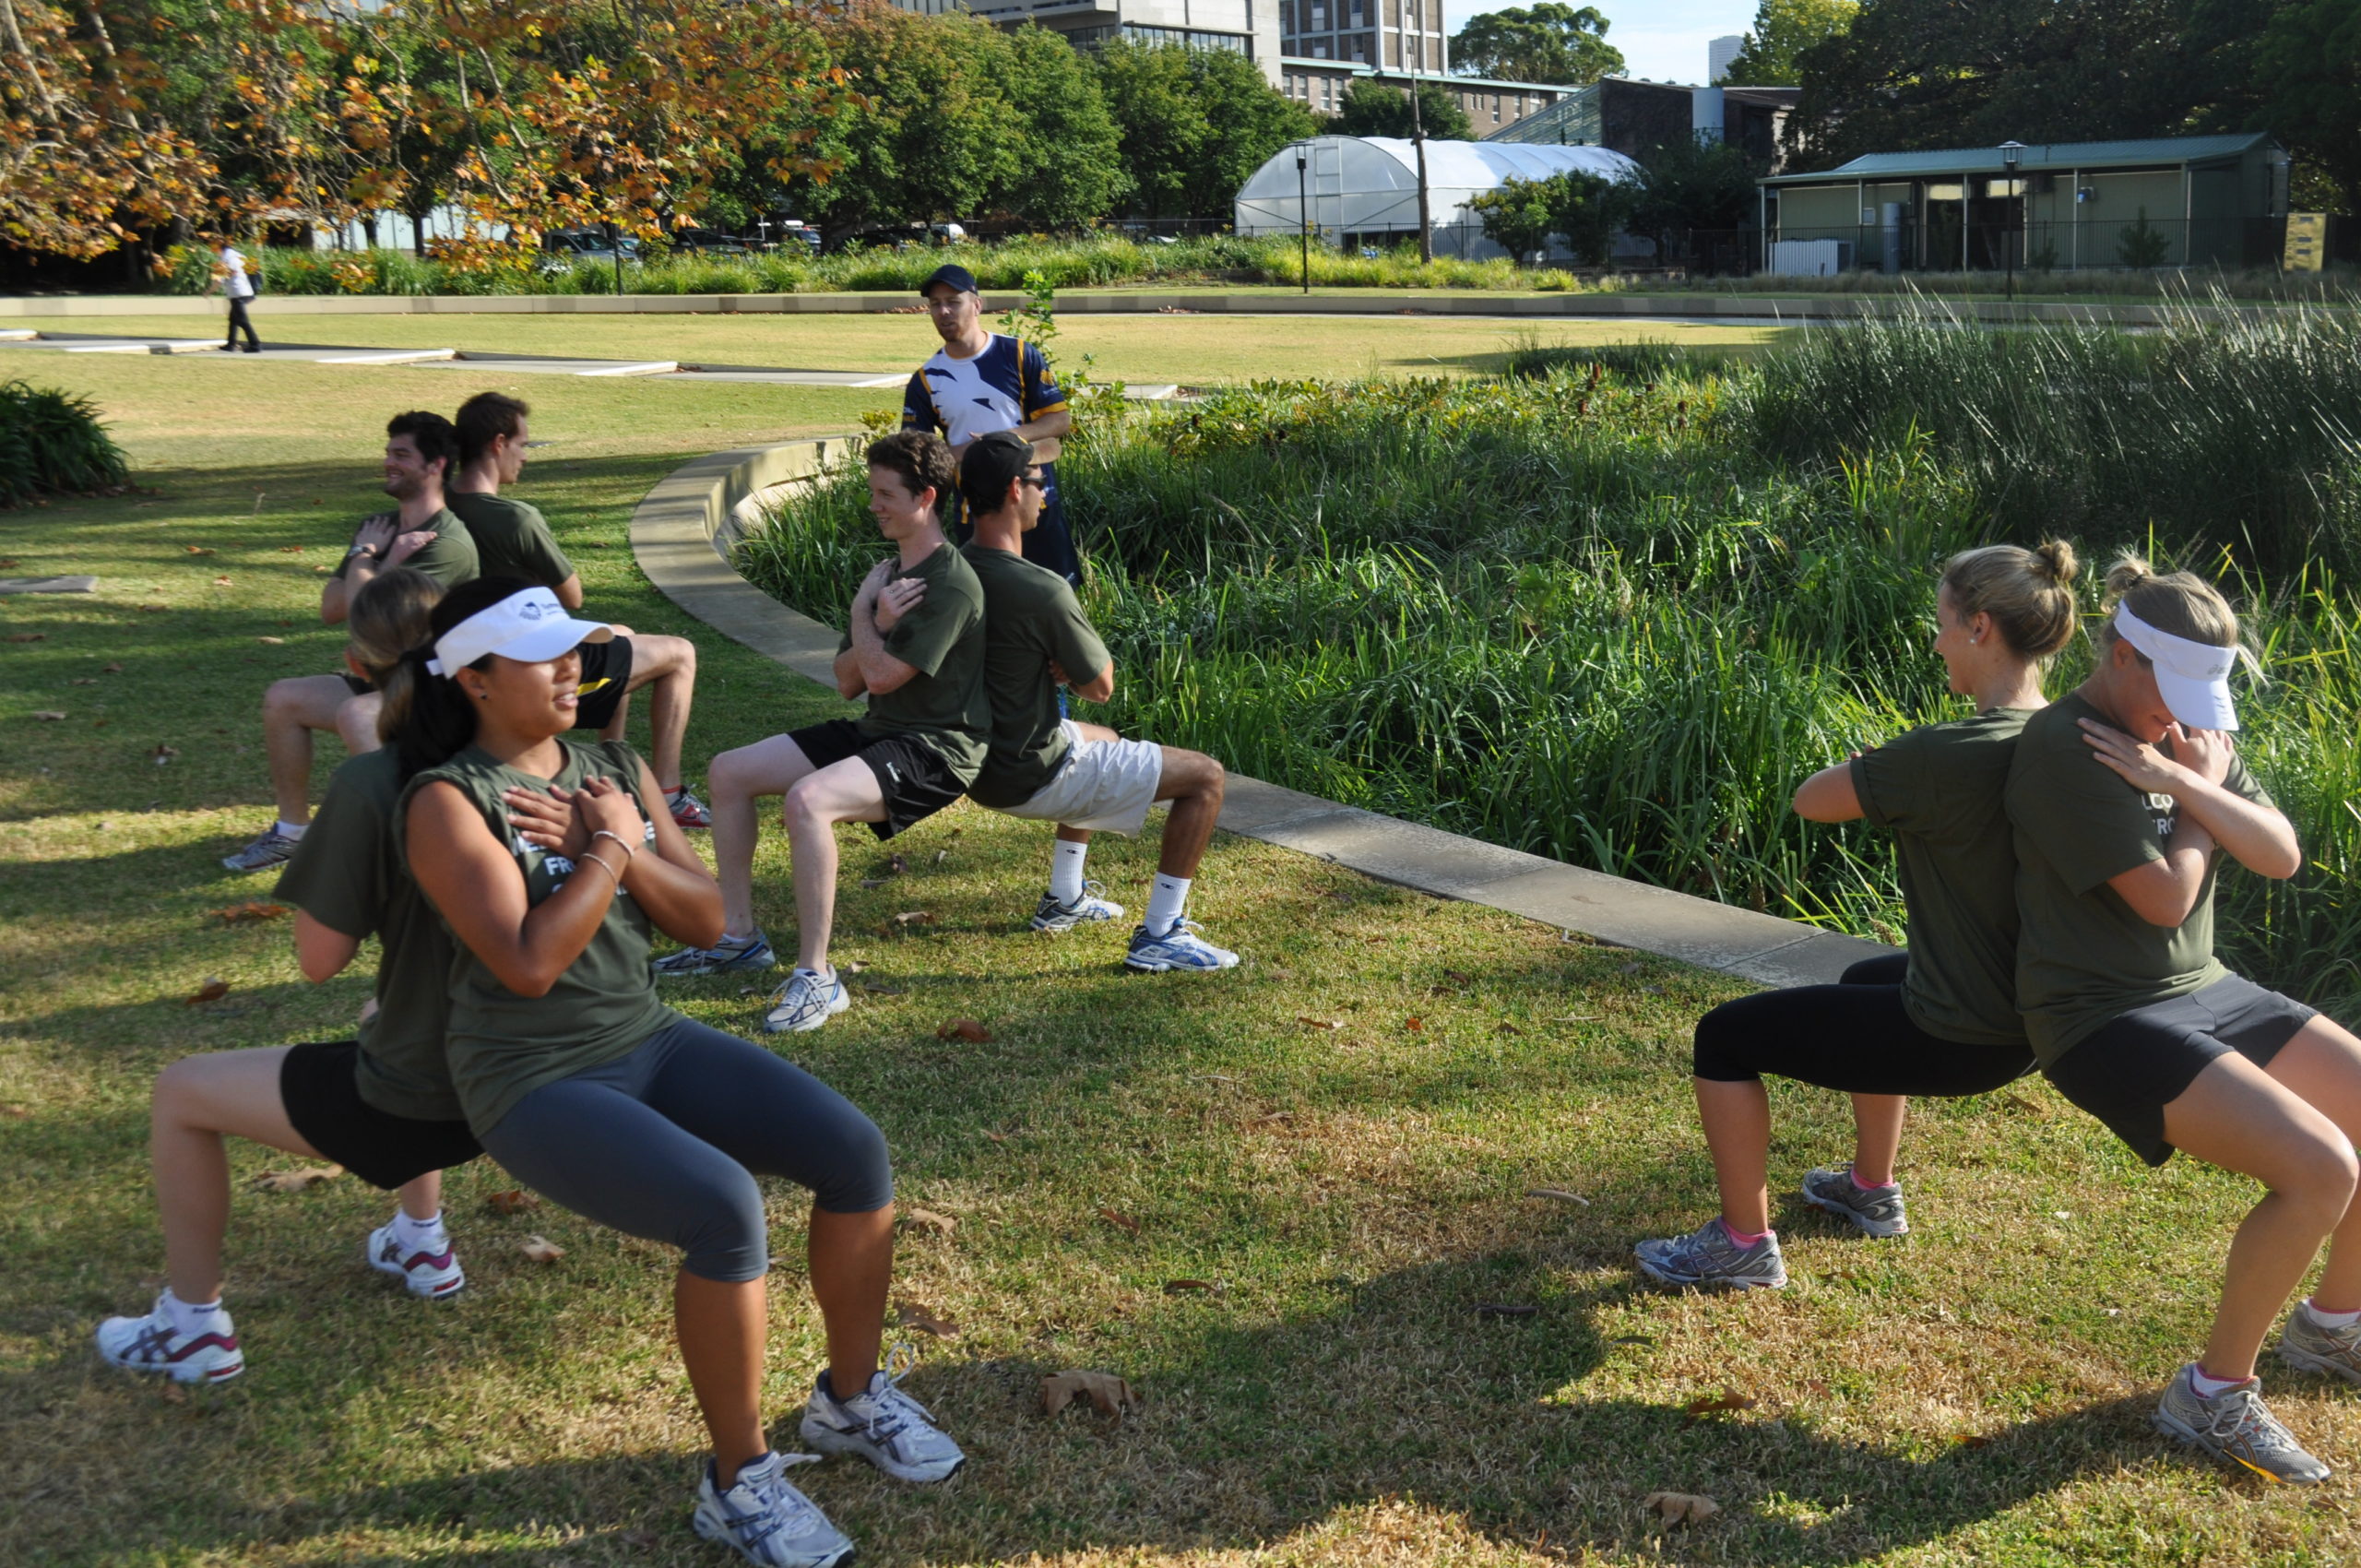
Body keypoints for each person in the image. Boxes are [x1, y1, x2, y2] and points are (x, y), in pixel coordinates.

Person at [390, 577, 958, 1567]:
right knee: (723, 1207)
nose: (570, 668)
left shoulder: (608, 764)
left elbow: (706, 917)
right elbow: (527, 964)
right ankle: (736, 1481)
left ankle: (849, 1398)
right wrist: (613, 848)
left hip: (646, 1034)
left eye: (573, 650)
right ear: (475, 677)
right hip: (530, 1075)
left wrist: (616, 835)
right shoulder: (446, 800)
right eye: (541, 656)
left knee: (853, 1152)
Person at [1633, 543, 2077, 1290]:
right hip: (2032, 1020)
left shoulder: (1944, 752)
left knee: (1724, 1038)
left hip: (1958, 1036)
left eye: (1941, 622)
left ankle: (1742, 1244)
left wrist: (1885, 766)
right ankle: (1871, 1190)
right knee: (1866, 975)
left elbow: (1814, 800)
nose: (1935, 641)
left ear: (1978, 627)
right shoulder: (2067, 736)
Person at [2007, 554, 2361, 1486]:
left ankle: (2331, 1329)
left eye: (2195, 697)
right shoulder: (2063, 745)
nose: (2179, 714)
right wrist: (2199, 803)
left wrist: (2186, 781)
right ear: (2120, 654)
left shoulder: (2182, 731)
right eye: (2165, 690)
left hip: (2202, 985)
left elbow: (2279, 852)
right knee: (2321, 1164)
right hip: (2096, 1012)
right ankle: (2210, 1391)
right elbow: (2164, 898)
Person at [95, 570, 484, 1384]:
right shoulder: (524, 761)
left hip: (449, 1087)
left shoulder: (376, 781)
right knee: (397, 1005)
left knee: (181, 1094)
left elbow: (317, 962)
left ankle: (193, 1326)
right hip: (541, 1065)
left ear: (356, 661)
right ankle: (422, 1242)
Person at [655, 432, 990, 1037]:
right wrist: (877, 616)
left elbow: (882, 675)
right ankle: (738, 938)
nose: (874, 505)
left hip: (938, 750)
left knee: (808, 801)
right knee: (730, 771)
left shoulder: (951, 584)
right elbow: (846, 682)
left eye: (886, 494)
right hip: (881, 730)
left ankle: (817, 976)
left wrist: (867, 616)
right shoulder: (887, 572)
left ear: (927, 497)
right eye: (872, 492)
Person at [956, 431, 1239, 972]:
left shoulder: (951, 568)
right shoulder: (1040, 587)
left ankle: (1064, 898)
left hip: (971, 763)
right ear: (1016, 490)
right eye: (1039, 482)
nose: (1044, 493)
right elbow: (1100, 686)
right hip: (1026, 771)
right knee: (1205, 777)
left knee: (1100, 738)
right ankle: (1162, 933)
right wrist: (1068, 666)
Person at [223, 411, 478, 873]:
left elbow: (371, 617)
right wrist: (382, 560)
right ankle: (291, 833)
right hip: (387, 677)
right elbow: (332, 608)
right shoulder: (378, 528)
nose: (388, 462)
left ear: (436, 465)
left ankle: (414, 845)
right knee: (283, 699)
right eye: (387, 452)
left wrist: (368, 559)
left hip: (441, 687)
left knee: (356, 715)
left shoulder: (446, 544)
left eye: (401, 454)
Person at [448, 391, 710, 828]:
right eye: (522, 445)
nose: (525, 457)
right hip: (524, 660)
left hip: (476, 651)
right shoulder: (515, 518)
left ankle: (614, 776)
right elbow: (572, 596)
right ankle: (668, 794)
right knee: (680, 652)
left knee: (620, 634)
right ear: (497, 444)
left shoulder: (442, 505)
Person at [902, 263, 1079, 584]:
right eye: (935, 304)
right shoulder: (926, 380)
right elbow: (918, 457)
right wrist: (967, 452)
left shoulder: (1020, 354)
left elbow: (1059, 420)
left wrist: (1002, 441)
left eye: (953, 301)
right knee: (992, 609)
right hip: (975, 515)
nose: (943, 311)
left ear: (977, 305)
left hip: (1036, 504)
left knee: (1057, 597)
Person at [216, 241, 260, 353]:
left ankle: (255, 345)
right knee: (234, 319)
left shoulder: (227, 259)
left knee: (243, 320)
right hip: (243, 290)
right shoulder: (238, 256)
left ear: (220, 248)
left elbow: (223, 277)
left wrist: (208, 291)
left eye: (215, 249)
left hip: (237, 292)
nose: (215, 252)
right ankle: (231, 344)